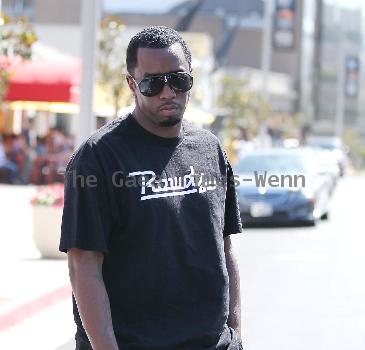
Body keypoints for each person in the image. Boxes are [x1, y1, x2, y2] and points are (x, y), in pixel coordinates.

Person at [60, 26, 244, 350]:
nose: (167, 92)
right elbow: (83, 266)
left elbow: (225, 250)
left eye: (178, 80)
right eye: (152, 82)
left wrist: (236, 333)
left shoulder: (210, 148)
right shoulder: (98, 158)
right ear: (131, 84)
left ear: (191, 77)